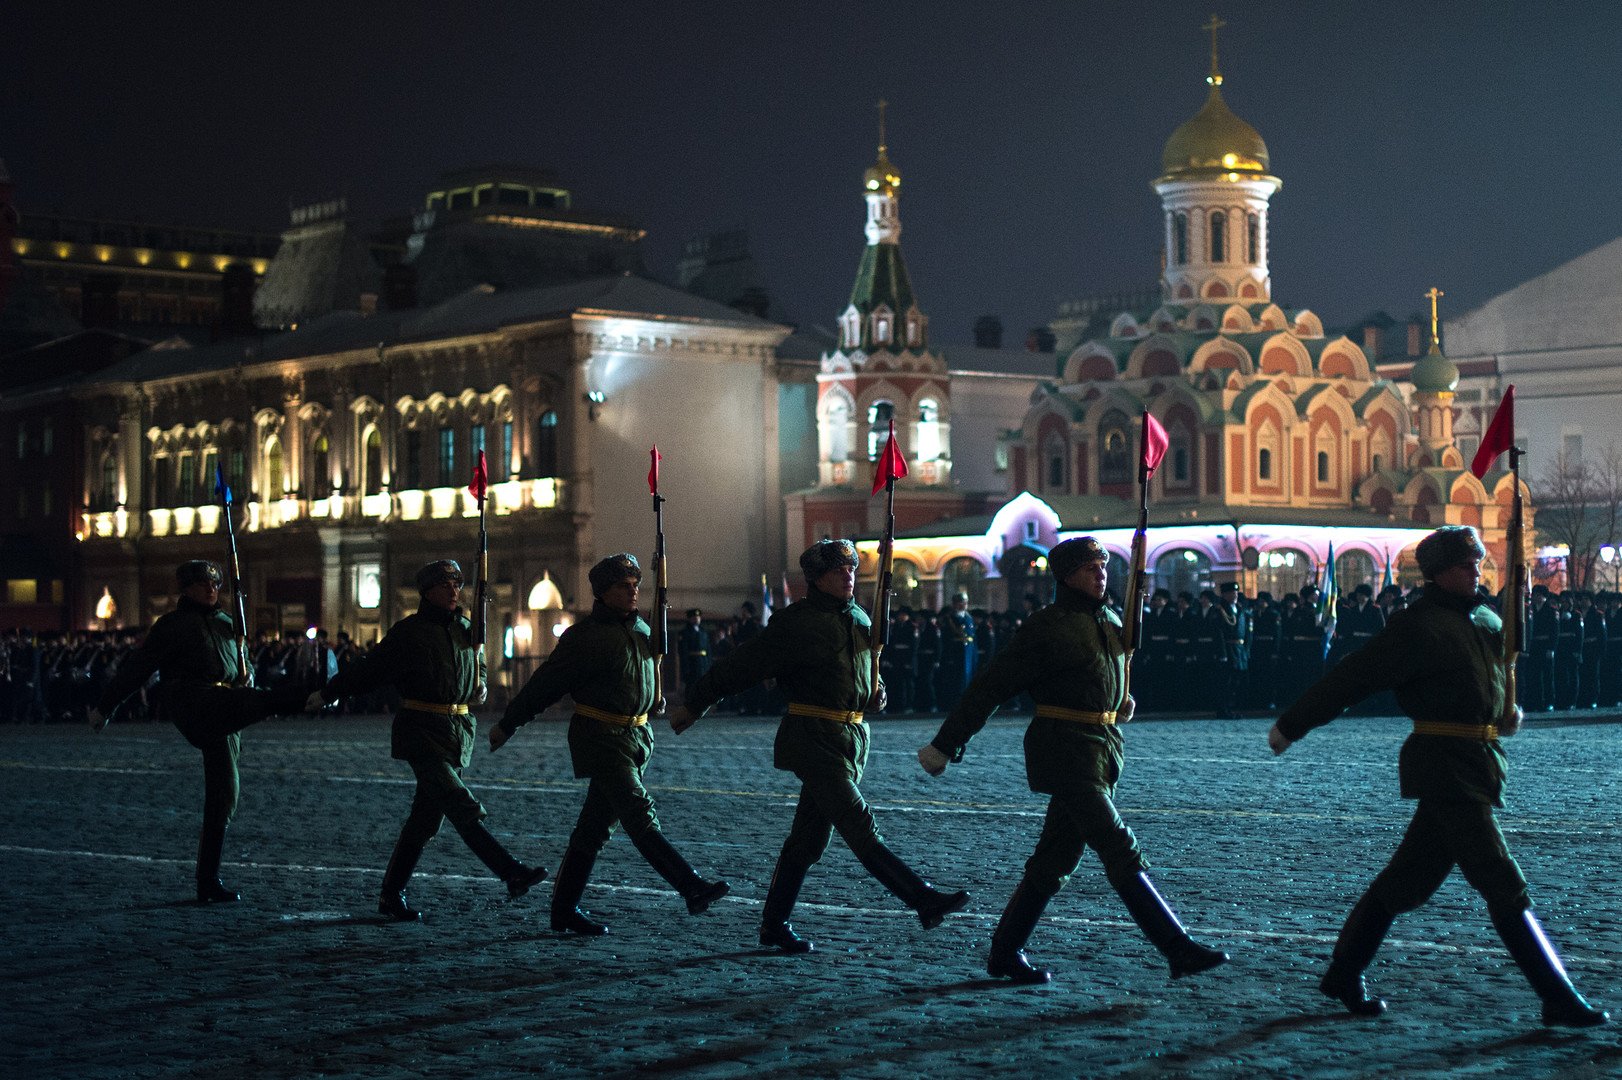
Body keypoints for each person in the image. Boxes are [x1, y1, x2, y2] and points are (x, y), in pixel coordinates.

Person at [1269, 526, 1606, 1027]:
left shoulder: (1486, 617)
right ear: (1441, 573)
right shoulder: (1417, 627)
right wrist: (1291, 725)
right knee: (1501, 878)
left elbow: (1497, 673)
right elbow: (1352, 677)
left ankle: (1343, 972)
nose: (1477, 572)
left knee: (1408, 880)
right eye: (1468, 565)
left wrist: (1506, 712)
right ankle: (1557, 996)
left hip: (1477, 760)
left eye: (1478, 564)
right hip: (1446, 767)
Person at [919, 537, 1229, 985]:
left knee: (1055, 860)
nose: (1101, 575)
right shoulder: (1047, 626)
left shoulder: (1109, 618)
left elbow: (1111, 669)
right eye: (1090, 569)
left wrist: (1121, 698)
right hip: (1065, 748)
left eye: (1103, 567)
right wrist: (946, 744)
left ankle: (1005, 953)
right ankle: (1176, 947)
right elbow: (992, 686)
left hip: (1101, 747)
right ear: (1065, 576)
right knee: (1117, 844)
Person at [670, 539, 969, 954]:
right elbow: (743, 666)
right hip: (814, 738)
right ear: (816, 579)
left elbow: (865, 670)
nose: (848, 576)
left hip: (850, 740)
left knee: (807, 842)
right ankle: (922, 899)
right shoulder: (798, 623)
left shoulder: (861, 616)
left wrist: (875, 691)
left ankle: (774, 924)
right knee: (859, 825)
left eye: (850, 569)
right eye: (837, 571)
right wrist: (696, 700)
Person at [492, 554, 729, 935]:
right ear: (603, 593)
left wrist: (653, 696)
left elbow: (644, 672)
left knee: (593, 829)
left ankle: (563, 910)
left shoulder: (640, 628)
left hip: (635, 739)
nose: (633, 590)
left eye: (635, 583)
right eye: (624, 585)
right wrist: (508, 723)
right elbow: (544, 685)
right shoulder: (584, 637)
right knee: (638, 813)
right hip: (600, 737)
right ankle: (691, 886)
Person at [308, 559, 548, 921]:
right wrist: (328, 692)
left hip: (456, 733)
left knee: (425, 819)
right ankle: (510, 871)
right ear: (427, 591)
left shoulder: (467, 628)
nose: (453, 591)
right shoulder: (410, 632)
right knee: (459, 802)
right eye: (445, 586)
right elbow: (369, 671)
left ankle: (391, 894)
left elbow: (479, 662)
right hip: (421, 731)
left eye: (456, 585)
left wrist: (480, 683)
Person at [91, 560, 308, 902]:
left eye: (214, 584)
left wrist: (247, 670)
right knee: (261, 704)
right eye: (202, 584)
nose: (210, 589)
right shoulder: (172, 625)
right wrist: (106, 706)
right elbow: (138, 669)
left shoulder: (226, 622)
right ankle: (304, 700)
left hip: (227, 702)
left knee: (225, 792)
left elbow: (242, 661)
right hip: (196, 702)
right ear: (186, 588)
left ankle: (207, 881)